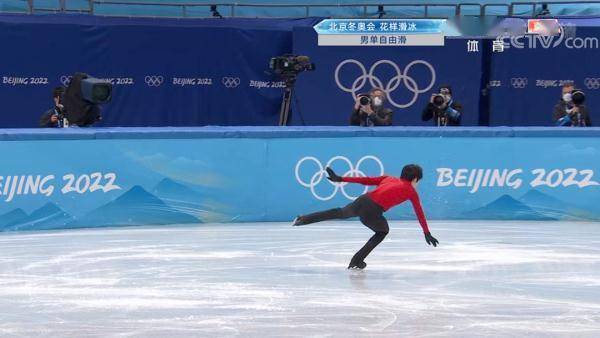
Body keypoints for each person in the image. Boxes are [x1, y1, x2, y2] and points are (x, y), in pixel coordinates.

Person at [293, 164, 439, 269]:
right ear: (415, 179)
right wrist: (426, 232)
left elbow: (366, 180)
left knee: (339, 212)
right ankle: (357, 260)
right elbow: (419, 213)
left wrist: (340, 178)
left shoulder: (389, 178)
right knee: (382, 231)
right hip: (373, 211)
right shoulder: (411, 192)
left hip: (363, 200)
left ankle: (303, 219)